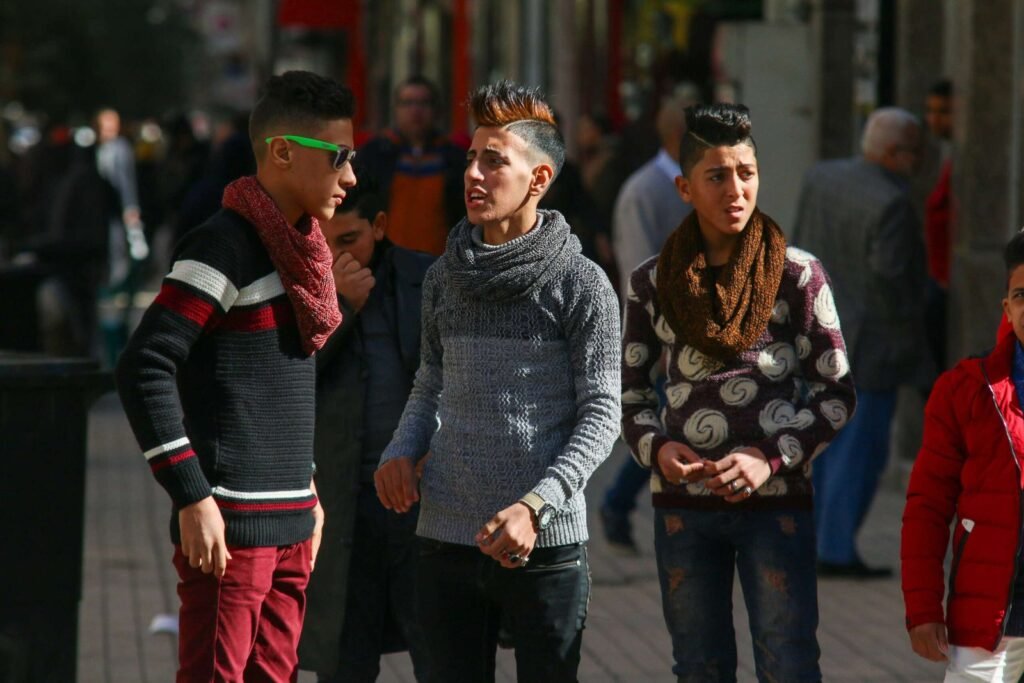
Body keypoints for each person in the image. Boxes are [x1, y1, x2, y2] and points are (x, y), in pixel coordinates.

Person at [374, 80, 621, 682]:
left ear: (538, 180)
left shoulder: (582, 283)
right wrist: (402, 449)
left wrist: (536, 507)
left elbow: (602, 414)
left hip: (545, 541)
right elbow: (430, 384)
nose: (474, 176)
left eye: (494, 161)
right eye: (470, 159)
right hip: (445, 537)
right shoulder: (443, 277)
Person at [115, 70, 357, 682]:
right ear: (281, 152)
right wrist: (192, 495)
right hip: (229, 533)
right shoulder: (221, 246)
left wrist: (307, 489)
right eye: (339, 158)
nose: (350, 177)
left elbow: (277, 379)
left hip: (293, 525)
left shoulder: (302, 253)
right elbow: (144, 363)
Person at [620, 103, 855, 682]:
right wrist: (658, 450)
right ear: (684, 187)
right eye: (717, 175)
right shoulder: (651, 282)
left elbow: (837, 393)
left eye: (746, 172)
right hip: (682, 510)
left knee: (789, 662)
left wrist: (768, 457)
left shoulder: (798, 275)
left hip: (776, 507)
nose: (736, 189)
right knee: (698, 667)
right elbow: (629, 396)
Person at [299, 168, 433, 682]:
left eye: (350, 240)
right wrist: (336, 309)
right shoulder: (304, 289)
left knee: (441, 652)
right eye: (325, 243)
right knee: (344, 661)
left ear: (379, 226)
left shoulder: (428, 281)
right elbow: (288, 379)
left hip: (420, 502)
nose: (339, 257)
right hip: (341, 505)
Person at [792, 107, 928, 577]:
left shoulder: (822, 178)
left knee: (827, 445)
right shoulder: (893, 202)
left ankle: (818, 539)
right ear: (896, 153)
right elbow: (892, 280)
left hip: (818, 334)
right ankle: (835, 548)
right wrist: (918, 320)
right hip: (871, 346)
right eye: (916, 152)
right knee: (862, 449)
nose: (919, 162)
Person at [901, 230, 1024, 682]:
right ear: (1006, 309)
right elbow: (927, 508)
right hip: (986, 616)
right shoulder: (965, 390)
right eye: (1021, 294)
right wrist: (922, 607)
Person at [601, 85, 698, 553]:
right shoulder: (645, 191)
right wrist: (658, 342)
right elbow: (642, 272)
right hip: (665, 337)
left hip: (698, 335)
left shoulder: (698, 184)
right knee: (663, 422)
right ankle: (617, 504)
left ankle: (622, 505)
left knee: (671, 422)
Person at [358, 75, 465, 256]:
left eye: (424, 103)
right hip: (387, 263)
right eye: (407, 103)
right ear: (396, 109)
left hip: (440, 264)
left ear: (436, 110)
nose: (416, 111)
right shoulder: (374, 154)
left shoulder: (454, 158)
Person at [924, 79, 954, 372]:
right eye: (930, 111)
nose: (934, 119)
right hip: (940, 278)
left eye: (943, 111)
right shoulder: (950, 159)